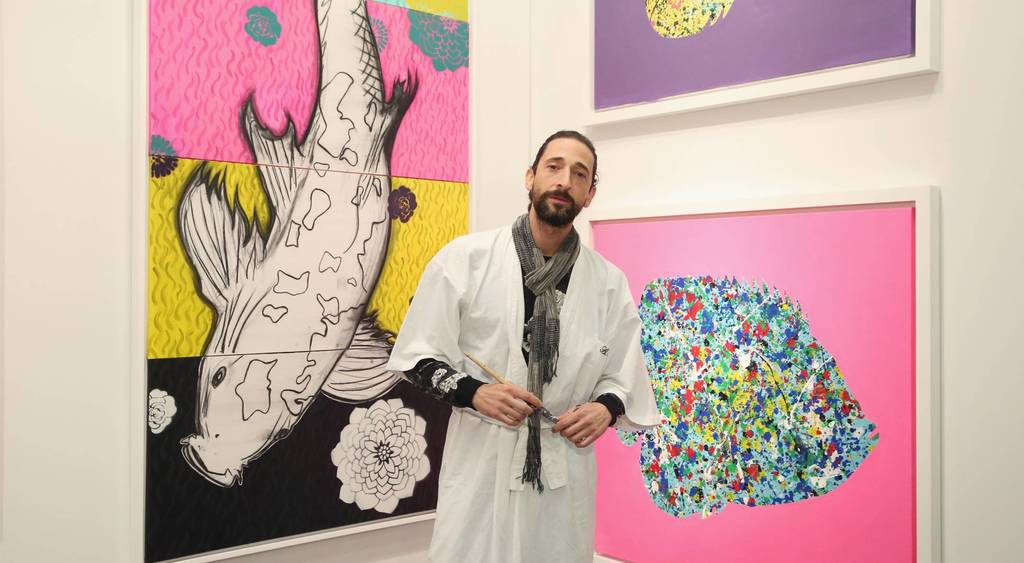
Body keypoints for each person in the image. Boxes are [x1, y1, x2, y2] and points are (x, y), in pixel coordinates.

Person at [387, 130, 660, 562]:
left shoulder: (608, 283)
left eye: (579, 174)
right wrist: (475, 393)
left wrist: (605, 408)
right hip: (483, 462)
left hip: (563, 467)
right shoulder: (466, 260)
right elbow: (415, 356)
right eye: (554, 167)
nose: (564, 180)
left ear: (590, 194)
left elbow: (623, 372)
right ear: (530, 177)